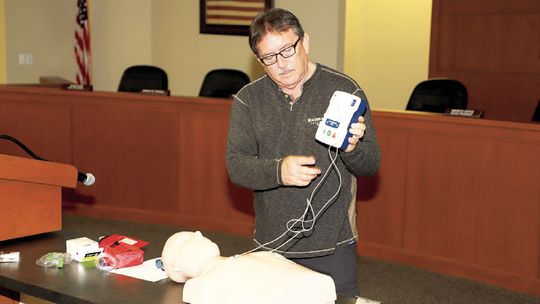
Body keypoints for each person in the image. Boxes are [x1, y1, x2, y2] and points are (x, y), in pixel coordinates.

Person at [225, 8, 381, 298]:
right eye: (269, 58)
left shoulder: (344, 90)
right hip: (272, 243)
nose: (281, 65)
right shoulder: (248, 99)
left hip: (332, 244)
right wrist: (278, 171)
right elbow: (236, 166)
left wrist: (351, 147)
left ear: (305, 42)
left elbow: (371, 164)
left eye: (287, 51)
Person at [161, 231, 337, 304]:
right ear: (177, 266)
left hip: (317, 287)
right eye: (185, 239)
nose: (198, 234)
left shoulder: (257, 255)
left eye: (193, 232)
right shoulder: (201, 286)